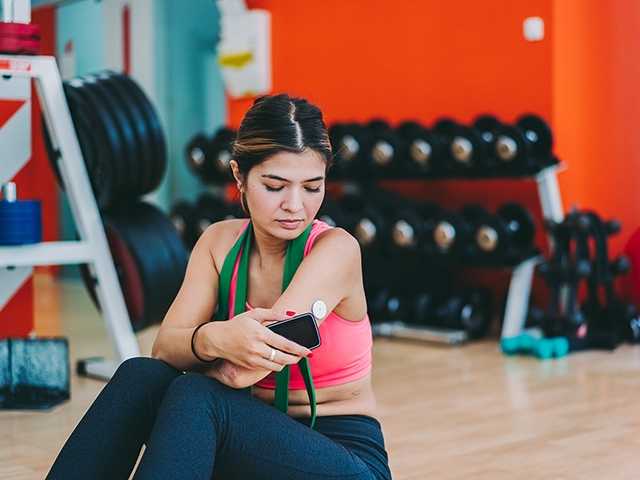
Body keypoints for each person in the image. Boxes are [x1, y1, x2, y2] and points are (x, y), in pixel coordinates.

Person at [47, 94, 392, 480]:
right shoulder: (218, 242)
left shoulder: (336, 250)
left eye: (312, 187)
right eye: (275, 186)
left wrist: (193, 355)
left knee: (194, 395)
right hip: (249, 438)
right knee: (140, 376)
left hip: (340, 457)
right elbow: (163, 350)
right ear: (238, 177)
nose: (295, 205)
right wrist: (215, 337)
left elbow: (242, 371)